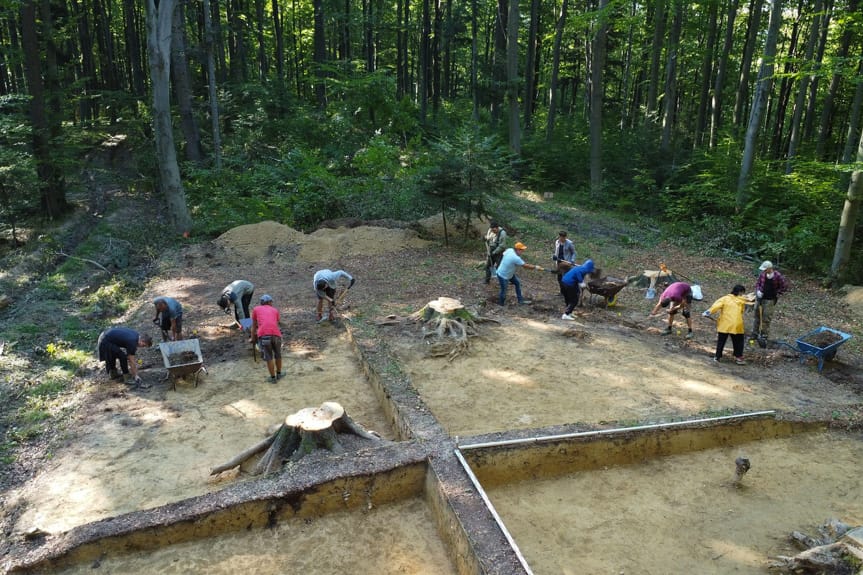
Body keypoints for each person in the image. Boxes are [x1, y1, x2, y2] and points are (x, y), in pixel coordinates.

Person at [703, 284, 752, 365]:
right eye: (742, 293)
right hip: (736, 324)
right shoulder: (742, 301)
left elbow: (715, 306)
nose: (743, 294)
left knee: (721, 341)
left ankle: (717, 357)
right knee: (738, 341)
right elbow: (742, 311)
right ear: (740, 292)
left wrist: (708, 312)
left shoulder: (725, 298)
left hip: (724, 323)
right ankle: (739, 358)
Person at [496, 242, 544, 306]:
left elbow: (503, 253)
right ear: (517, 250)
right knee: (504, 290)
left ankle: (520, 300)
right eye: (521, 250)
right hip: (503, 275)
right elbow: (525, 266)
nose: (523, 251)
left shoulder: (510, 250)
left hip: (510, 274)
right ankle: (501, 305)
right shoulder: (515, 258)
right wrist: (536, 267)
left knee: (517, 283)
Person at [251, 294, 284, 383]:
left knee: (269, 356)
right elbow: (276, 322)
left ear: (262, 303)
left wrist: (253, 337)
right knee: (278, 354)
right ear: (269, 302)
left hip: (264, 335)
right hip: (276, 335)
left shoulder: (256, 309)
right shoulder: (275, 310)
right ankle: (279, 374)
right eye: (271, 302)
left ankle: (273, 378)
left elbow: (254, 326)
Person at [752, 260, 789, 340]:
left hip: (770, 300)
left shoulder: (777, 276)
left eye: (765, 269)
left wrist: (777, 293)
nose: (764, 271)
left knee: (766, 318)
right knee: (757, 316)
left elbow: (784, 286)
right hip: (760, 298)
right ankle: (754, 334)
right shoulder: (762, 274)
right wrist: (758, 291)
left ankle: (764, 336)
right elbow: (758, 284)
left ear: (770, 268)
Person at [552, 231, 577, 295]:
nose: (561, 239)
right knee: (559, 278)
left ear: (565, 237)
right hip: (559, 262)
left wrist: (572, 260)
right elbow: (556, 251)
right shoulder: (557, 242)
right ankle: (562, 292)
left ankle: (569, 293)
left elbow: (574, 253)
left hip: (566, 263)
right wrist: (554, 256)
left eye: (563, 237)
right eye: (560, 237)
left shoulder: (569, 243)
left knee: (566, 278)